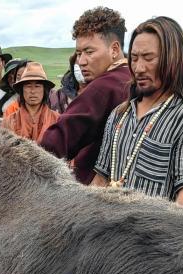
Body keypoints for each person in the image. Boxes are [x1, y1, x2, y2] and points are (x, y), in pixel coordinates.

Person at [92, 16, 183, 205]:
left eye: (148, 58)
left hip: (151, 234)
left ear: (171, 60)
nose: (138, 68)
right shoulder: (119, 115)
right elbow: (100, 180)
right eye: (134, 58)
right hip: (107, 232)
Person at [40, 7, 131, 185]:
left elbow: (57, 141)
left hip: (100, 195)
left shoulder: (104, 86)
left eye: (89, 52)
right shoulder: (132, 78)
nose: (81, 61)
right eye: (79, 53)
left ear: (114, 49)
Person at [2, 62, 59, 143]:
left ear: (44, 90)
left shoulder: (57, 119)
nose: (33, 91)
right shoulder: (9, 122)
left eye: (37, 86)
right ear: (22, 90)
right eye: (28, 86)